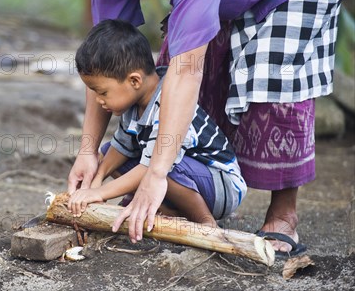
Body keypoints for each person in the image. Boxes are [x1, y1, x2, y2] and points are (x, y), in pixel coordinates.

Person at [25, 0, 354, 255]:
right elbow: (105, 63)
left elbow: (186, 70)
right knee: (168, 71)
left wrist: (155, 174)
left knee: (271, 72)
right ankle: (191, 196)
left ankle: (282, 215)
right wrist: (88, 152)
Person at [68, 19, 247, 227]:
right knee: (109, 151)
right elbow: (121, 148)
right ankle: (169, 210)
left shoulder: (168, 103)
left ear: (134, 81)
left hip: (221, 186)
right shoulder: (133, 104)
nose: (98, 101)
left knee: (164, 163)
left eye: (102, 92)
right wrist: (97, 178)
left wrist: (99, 193)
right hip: (187, 178)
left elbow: (153, 166)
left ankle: (206, 222)